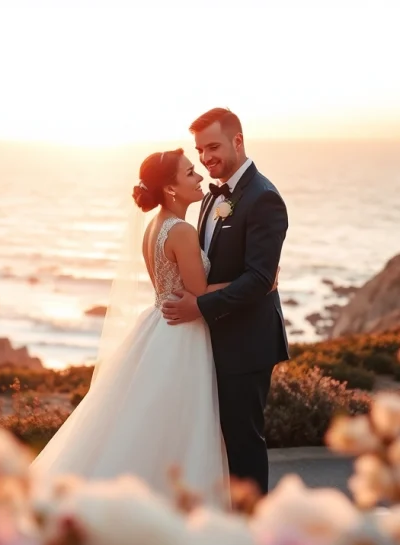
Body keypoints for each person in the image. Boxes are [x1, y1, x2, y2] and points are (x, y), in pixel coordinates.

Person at [29, 148, 233, 507]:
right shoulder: (182, 230)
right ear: (171, 188)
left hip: (158, 325)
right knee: (178, 426)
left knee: (143, 423)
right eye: (189, 173)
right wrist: (256, 281)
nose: (199, 176)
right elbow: (198, 293)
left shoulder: (154, 226)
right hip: (182, 333)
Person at [161, 107, 290, 495]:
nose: (206, 158)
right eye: (199, 150)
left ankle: (253, 533)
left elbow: (259, 279)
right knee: (211, 442)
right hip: (209, 340)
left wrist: (198, 306)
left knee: (243, 444)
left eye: (213, 146)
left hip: (247, 344)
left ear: (238, 141)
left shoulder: (264, 198)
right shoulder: (208, 197)